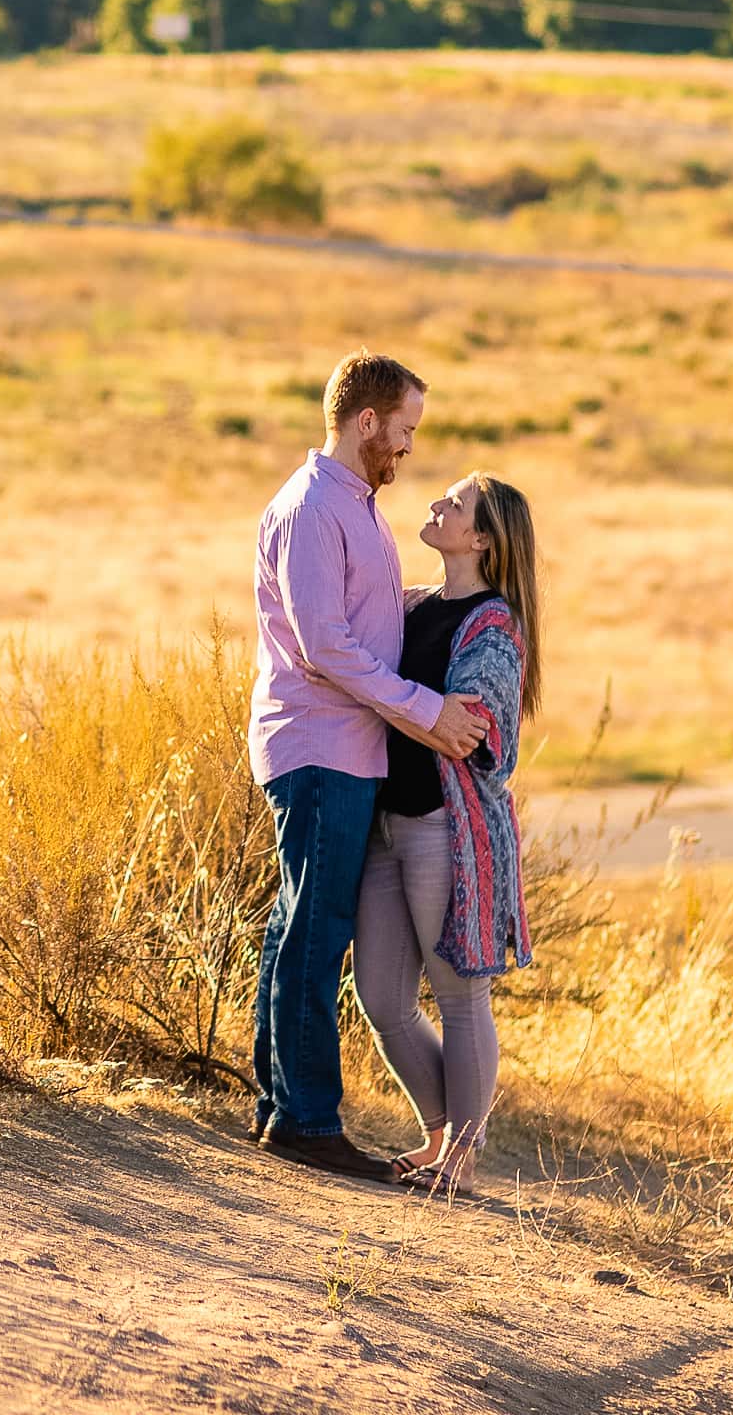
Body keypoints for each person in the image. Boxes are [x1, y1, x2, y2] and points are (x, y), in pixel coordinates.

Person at [249, 350, 489, 1183]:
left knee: (295, 927)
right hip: (321, 746)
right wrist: (426, 714)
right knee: (315, 933)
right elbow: (324, 648)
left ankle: (281, 1106)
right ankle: (307, 1121)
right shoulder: (317, 507)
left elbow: (366, 626)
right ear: (365, 423)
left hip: (343, 750)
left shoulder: (349, 505)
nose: (409, 447)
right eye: (405, 429)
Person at [354, 473, 540, 1197]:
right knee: (381, 999)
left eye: (454, 505)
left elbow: (469, 733)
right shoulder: (409, 609)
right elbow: (410, 703)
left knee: (459, 997)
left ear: (482, 540)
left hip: (443, 830)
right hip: (384, 827)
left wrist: (386, 695)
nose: (436, 505)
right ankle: (437, 1133)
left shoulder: (493, 627)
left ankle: (460, 1158)